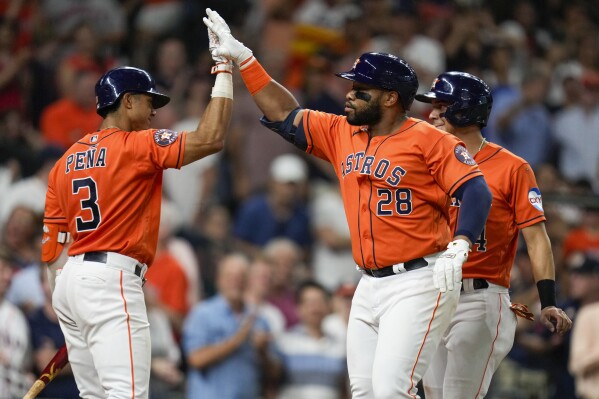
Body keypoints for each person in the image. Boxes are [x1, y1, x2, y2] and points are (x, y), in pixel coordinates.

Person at [204, 9, 493, 398]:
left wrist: (462, 243)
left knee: (393, 390)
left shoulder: (431, 140)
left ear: (391, 98)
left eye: (361, 89)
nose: (350, 94)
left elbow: (476, 190)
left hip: (419, 280)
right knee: (364, 391)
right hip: (368, 283)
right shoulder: (343, 132)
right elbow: (284, 112)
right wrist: (245, 60)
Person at [40, 35, 234, 398]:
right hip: (111, 279)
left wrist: (70, 304)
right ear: (127, 101)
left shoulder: (64, 161)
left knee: (95, 396)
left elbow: (52, 249)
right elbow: (211, 139)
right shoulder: (137, 145)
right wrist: (224, 71)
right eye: (149, 101)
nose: (154, 111)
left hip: (70, 282)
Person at [414, 71, 572, 399]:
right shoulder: (423, 163)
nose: (431, 113)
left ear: (465, 110)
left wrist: (548, 301)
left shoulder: (512, 167)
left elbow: (537, 237)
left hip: (478, 297)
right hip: (430, 295)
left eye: (441, 106)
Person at [182, 253, 279, 399]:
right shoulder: (202, 314)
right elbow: (196, 359)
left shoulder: (259, 319)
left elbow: (275, 374)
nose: (236, 282)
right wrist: (237, 340)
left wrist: (263, 352)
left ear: (248, 281)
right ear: (219, 280)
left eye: (240, 277)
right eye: (230, 277)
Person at [274, 280, 348, 399]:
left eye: (319, 301)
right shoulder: (285, 342)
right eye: (309, 302)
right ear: (299, 308)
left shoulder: (339, 346)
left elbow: (343, 389)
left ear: (328, 306)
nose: (315, 307)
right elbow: (271, 383)